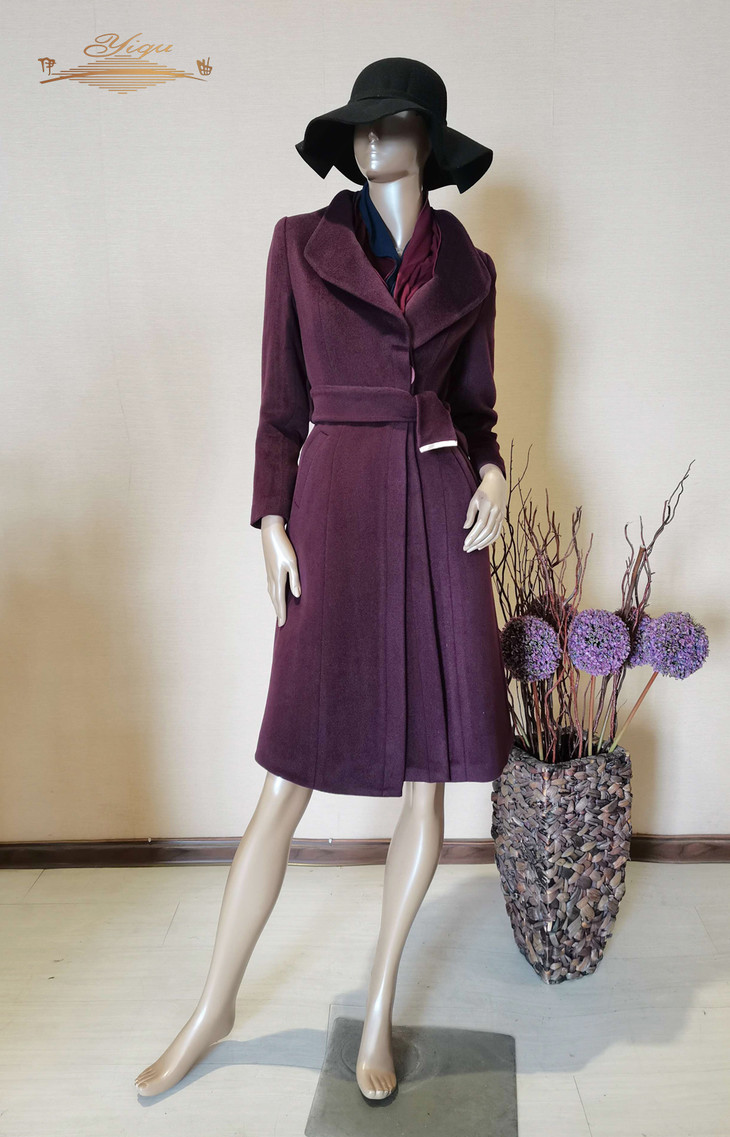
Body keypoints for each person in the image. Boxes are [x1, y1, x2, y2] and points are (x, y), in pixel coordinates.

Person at [136, 56, 512, 1107]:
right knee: (286, 773)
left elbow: (477, 412)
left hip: (441, 515)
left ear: (427, 141)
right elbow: (278, 408)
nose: (369, 138)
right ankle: (212, 1007)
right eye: (359, 123)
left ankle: (379, 1005)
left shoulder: (472, 270)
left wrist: (492, 475)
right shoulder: (299, 245)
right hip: (335, 506)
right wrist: (270, 519)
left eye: (391, 122)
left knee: (430, 775)